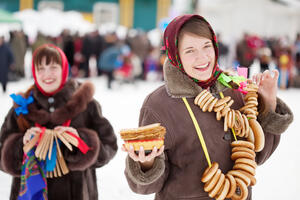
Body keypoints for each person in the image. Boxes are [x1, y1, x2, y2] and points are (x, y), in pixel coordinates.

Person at [122, 14, 293, 200]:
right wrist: (147, 163)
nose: (202, 58)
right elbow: (144, 187)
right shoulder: (158, 105)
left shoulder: (234, 90)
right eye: (190, 51)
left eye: (206, 46)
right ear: (175, 55)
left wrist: (268, 103)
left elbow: (258, 156)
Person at [0, 44, 118, 200]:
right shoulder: (22, 108)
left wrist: (81, 141)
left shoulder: (86, 105)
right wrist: (22, 144)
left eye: (53, 67)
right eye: (40, 69)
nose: (47, 74)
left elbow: (110, 146)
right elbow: (1, 156)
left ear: (64, 69)